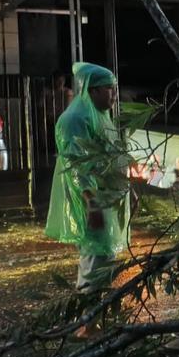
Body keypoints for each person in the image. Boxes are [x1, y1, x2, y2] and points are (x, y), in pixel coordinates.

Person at [44, 63, 132, 293]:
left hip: (105, 198)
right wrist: (91, 202)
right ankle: (87, 319)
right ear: (92, 90)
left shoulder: (99, 115)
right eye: (109, 89)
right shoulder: (74, 119)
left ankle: (95, 315)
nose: (114, 95)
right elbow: (76, 165)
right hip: (91, 200)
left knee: (105, 255)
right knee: (95, 256)